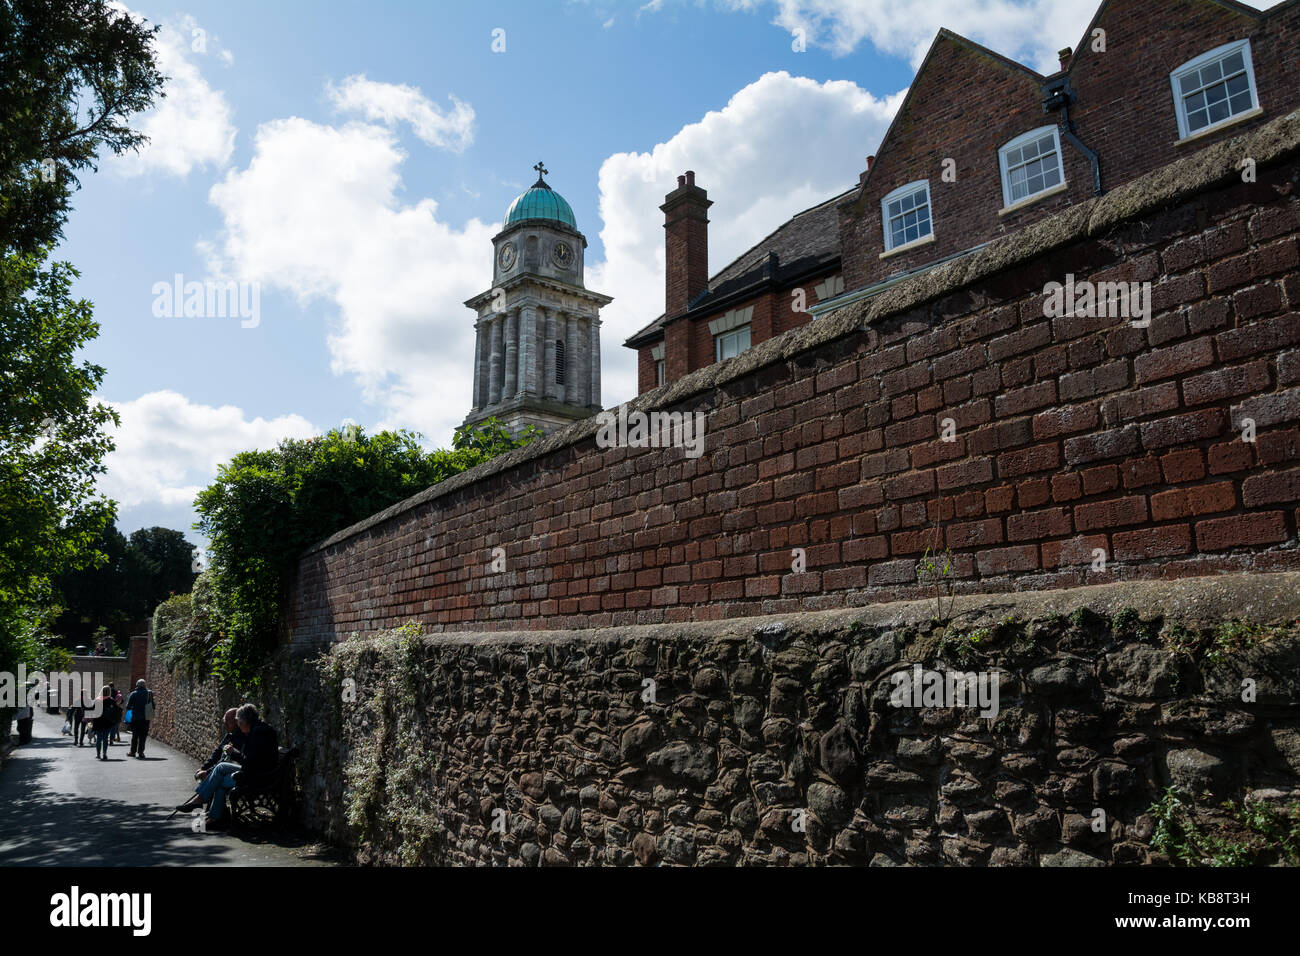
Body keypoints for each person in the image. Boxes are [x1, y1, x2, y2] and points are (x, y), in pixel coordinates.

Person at [176, 704, 277, 829]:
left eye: (239, 722)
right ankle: (210, 812)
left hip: (259, 776)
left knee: (220, 778)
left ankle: (204, 805)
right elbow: (250, 760)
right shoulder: (257, 730)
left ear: (244, 721)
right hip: (255, 771)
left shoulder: (258, 733)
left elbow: (250, 762)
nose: (239, 726)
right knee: (221, 770)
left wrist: (233, 753)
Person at [196, 709, 245, 782]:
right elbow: (217, 753)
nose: (225, 723)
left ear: (236, 721)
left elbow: (226, 760)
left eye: (228, 720)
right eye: (225, 720)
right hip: (227, 768)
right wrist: (204, 768)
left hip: (236, 769)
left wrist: (208, 772)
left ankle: (202, 793)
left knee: (220, 779)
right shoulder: (229, 735)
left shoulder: (240, 737)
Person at [125, 679, 154, 758]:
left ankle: (132, 752)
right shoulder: (149, 693)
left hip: (136, 718)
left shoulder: (133, 694)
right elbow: (153, 706)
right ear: (144, 685)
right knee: (143, 736)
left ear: (137, 685)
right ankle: (141, 752)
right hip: (146, 718)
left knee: (135, 736)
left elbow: (128, 706)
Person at [90, 687, 119, 760]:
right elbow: (116, 710)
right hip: (108, 722)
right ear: (109, 692)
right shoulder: (111, 700)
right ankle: (104, 754)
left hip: (98, 721)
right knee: (105, 738)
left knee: (99, 738)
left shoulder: (97, 700)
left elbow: (92, 710)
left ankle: (98, 754)